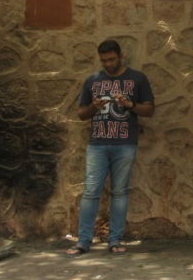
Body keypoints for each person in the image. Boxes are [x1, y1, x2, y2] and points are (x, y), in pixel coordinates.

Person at [66, 39, 155, 256]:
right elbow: (81, 113)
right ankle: (83, 241)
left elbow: (150, 109)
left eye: (112, 59)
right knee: (90, 192)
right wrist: (94, 108)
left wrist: (130, 105)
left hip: (125, 144)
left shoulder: (137, 78)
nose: (108, 64)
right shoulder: (92, 81)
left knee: (120, 192)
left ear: (121, 56)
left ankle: (115, 240)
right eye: (104, 60)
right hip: (97, 144)